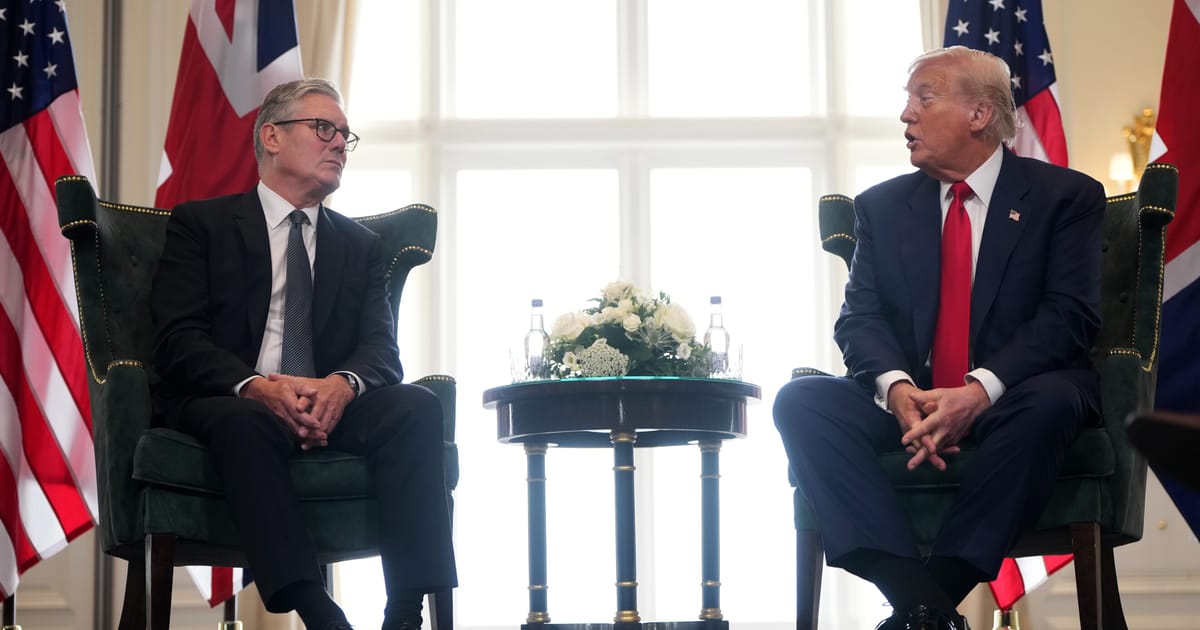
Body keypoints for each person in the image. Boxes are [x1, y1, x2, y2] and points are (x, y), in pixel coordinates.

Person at [773, 46, 1104, 630]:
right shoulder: (881, 207)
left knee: (1053, 401)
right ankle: (923, 607)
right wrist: (899, 392)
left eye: (924, 98)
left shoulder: (1064, 198)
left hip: (1012, 400)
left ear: (980, 114)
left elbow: (1068, 316)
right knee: (801, 401)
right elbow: (859, 320)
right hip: (911, 406)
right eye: (908, 101)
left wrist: (977, 392)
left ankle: (921, 608)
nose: (906, 114)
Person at [151, 78, 456, 630]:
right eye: (323, 129)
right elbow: (179, 339)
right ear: (271, 136)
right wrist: (257, 387)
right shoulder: (203, 225)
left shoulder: (359, 245)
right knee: (245, 422)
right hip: (232, 401)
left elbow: (381, 351)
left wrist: (340, 386)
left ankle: (405, 612)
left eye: (345, 135)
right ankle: (319, 612)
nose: (339, 143)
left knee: (416, 407)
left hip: (326, 404)